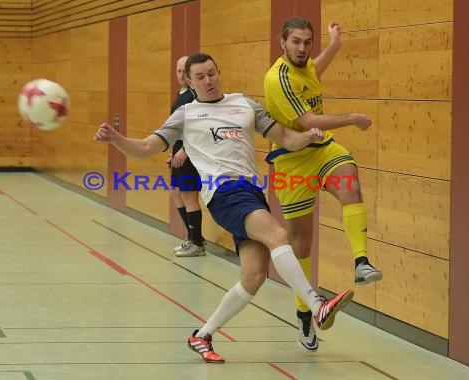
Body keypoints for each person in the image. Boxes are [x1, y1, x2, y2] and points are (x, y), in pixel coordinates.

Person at [94, 53, 354, 363]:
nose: (208, 80)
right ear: (189, 82)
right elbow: (147, 147)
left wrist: (307, 137)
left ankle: (202, 335)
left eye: (211, 73)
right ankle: (316, 305)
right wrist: (118, 139)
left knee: (255, 275)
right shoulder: (186, 114)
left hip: (251, 192)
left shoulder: (244, 103)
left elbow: (283, 137)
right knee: (278, 235)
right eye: (200, 77)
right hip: (223, 193)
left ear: (219, 72)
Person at [263, 17, 383, 352]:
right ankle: (304, 316)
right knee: (302, 245)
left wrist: (334, 45)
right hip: (291, 160)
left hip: (323, 149)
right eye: (296, 42)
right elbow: (307, 121)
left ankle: (361, 263)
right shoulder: (278, 78)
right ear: (282, 42)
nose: (302, 49)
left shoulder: (303, 66)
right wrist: (353, 118)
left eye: (307, 42)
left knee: (351, 186)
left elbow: (314, 71)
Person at [167, 55, 205, 257]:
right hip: (178, 152)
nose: (181, 74)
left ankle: (197, 243)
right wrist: (173, 151)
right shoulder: (180, 94)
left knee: (189, 197)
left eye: (185, 71)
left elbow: (199, 128)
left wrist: (185, 150)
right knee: (175, 192)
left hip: (189, 154)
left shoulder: (193, 95)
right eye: (178, 71)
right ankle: (192, 236)